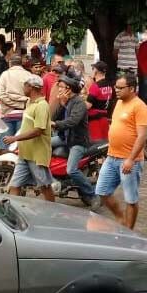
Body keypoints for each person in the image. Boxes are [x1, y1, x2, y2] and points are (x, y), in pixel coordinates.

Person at [95, 73, 147, 229]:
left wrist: (131, 159)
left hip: (129, 160)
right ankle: (121, 218)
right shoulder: (118, 103)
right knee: (102, 191)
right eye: (115, 87)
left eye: (120, 88)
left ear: (131, 88)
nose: (116, 90)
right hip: (112, 157)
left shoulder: (140, 106)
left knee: (131, 199)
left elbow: (142, 136)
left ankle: (129, 231)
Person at [3, 75, 54, 201]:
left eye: (25, 85)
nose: (23, 87)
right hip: (24, 153)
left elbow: (38, 130)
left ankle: (54, 210)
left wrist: (15, 138)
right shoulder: (29, 103)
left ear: (31, 87)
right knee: (14, 185)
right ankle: (12, 209)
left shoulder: (41, 105)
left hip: (36, 155)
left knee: (45, 187)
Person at [51, 75, 99, 208]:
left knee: (71, 170)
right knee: (43, 143)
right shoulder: (67, 101)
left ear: (69, 88)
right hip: (65, 138)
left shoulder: (79, 103)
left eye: (61, 87)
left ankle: (92, 194)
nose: (59, 89)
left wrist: (56, 124)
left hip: (77, 142)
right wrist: (61, 104)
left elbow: (73, 121)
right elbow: (53, 117)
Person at [0, 54, 33, 147]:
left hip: (7, 114)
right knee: (22, 146)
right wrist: (21, 104)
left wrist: (12, 102)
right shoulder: (29, 75)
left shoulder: (4, 75)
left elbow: (1, 95)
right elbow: (32, 95)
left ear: (10, 63)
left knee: (5, 146)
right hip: (24, 114)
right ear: (21, 63)